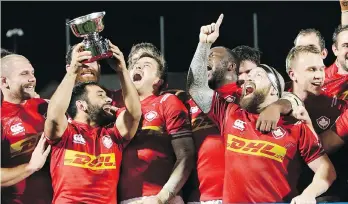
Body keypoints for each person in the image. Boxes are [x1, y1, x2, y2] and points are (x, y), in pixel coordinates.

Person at [187, 14, 336, 203]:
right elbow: (196, 87)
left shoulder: (296, 125)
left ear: (274, 88)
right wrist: (203, 44)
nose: (246, 79)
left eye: (256, 75)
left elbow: (326, 170)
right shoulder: (230, 114)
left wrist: (308, 194)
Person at [44, 42, 141, 204]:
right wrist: (72, 71)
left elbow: (135, 114)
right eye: (100, 95)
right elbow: (53, 116)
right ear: (81, 105)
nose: (109, 99)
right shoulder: (66, 132)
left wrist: (122, 70)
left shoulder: (113, 135)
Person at [118, 43, 195, 204]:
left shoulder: (167, 101)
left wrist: (162, 197)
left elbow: (186, 154)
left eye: (146, 66)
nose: (138, 67)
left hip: (161, 198)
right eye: (136, 65)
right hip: (126, 199)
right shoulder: (119, 112)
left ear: (158, 81)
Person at [286, 44, 348, 201]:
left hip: (327, 193)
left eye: (321, 69)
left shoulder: (339, 108)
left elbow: (321, 150)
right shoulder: (275, 102)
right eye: (311, 69)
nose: (319, 75)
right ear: (292, 75)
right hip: (279, 190)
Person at [1, 54, 52, 203]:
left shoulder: (44, 106)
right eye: (24, 74)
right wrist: (30, 167)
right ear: (5, 81)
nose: (32, 79)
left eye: (32, 73)